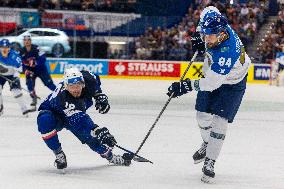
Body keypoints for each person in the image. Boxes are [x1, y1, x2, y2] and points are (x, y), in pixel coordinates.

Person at [167, 7, 251, 183]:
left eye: (210, 35)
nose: (207, 38)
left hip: (232, 83)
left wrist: (185, 85)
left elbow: (212, 83)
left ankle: (210, 161)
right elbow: (208, 9)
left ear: (221, 34)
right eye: (206, 34)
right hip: (213, 74)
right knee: (202, 115)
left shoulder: (226, 53)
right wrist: (198, 35)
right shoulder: (212, 20)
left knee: (220, 119)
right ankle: (207, 143)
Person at [37, 67, 131, 169]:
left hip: (74, 114)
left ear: (83, 83)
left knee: (90, 139)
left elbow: (95, 79)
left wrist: (98, 94)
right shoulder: (63, 98)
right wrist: (97, 131)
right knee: (44, 120)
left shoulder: (88, 79)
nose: (76, 90)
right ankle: (59, 153)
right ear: (66, 86)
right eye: (72, 87)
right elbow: (81, 120)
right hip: (55, 114)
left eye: (78, 86)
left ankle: (110, 156)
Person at [0, 39, 35, 116]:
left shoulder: (14, 56)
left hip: (12, 75)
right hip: (0, 75)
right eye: (2, 47)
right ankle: (0, 108)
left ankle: (24, 109)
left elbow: (19, 69)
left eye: (6, 47)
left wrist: (16, 78)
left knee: (16, 91)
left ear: (9, 48)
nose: (4, 49)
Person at [20, 35, 56, 108]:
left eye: (28, 40)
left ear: (30, 41)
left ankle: (60, 94)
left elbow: (43, 58)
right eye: (25, 40)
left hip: (41, 70)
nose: (26, 41)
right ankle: (34, 98)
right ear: (23, 41)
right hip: (30, 71)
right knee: (29, 85)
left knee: (49, 84)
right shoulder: (21, 51)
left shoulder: (37, 48)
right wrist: (25, 70)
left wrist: (36, 63)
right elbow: (21, 63)